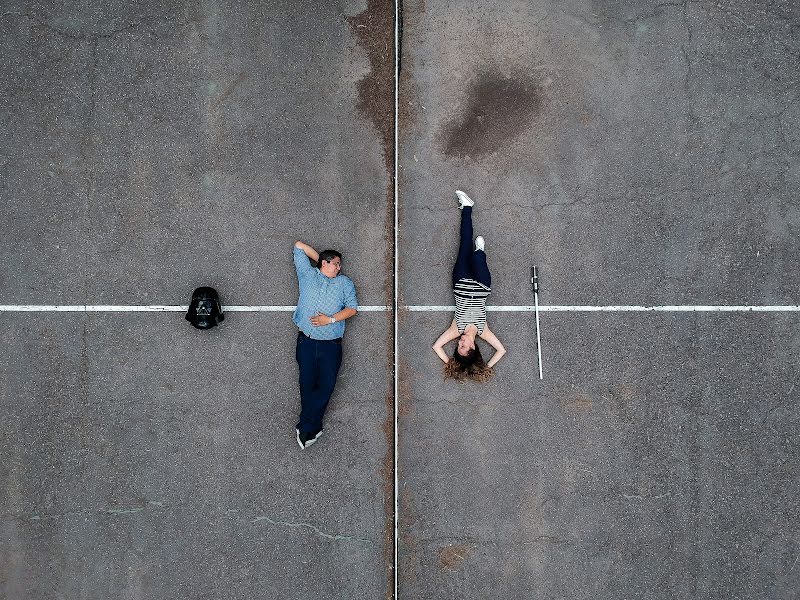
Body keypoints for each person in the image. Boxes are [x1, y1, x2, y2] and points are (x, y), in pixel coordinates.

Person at [432, 191, 506, 381]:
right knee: (477, 256)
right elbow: (501, 350)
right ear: (473, 347)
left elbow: (436, 346)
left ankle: (467, 206)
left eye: (458, 347)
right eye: (464, 346)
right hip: (482, 285)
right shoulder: (484, 331)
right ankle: (480, 252)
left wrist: (451, 363)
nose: (460, 343)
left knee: (465, 243)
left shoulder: (456, 329)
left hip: (461, 280)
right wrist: (485, 368)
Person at [292, 241, 358, 449]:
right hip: (307, 342)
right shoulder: (307, 275)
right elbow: (298, 246)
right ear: (324, 263)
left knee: (327, 386)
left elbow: (352, 309)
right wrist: (319, 258)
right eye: (336, 263)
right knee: (306, 384)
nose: (339, 267)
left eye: (339, 265)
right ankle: (311, 428)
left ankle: (306, 425)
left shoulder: (345, 283)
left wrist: (329, 319)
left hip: (331, 345)